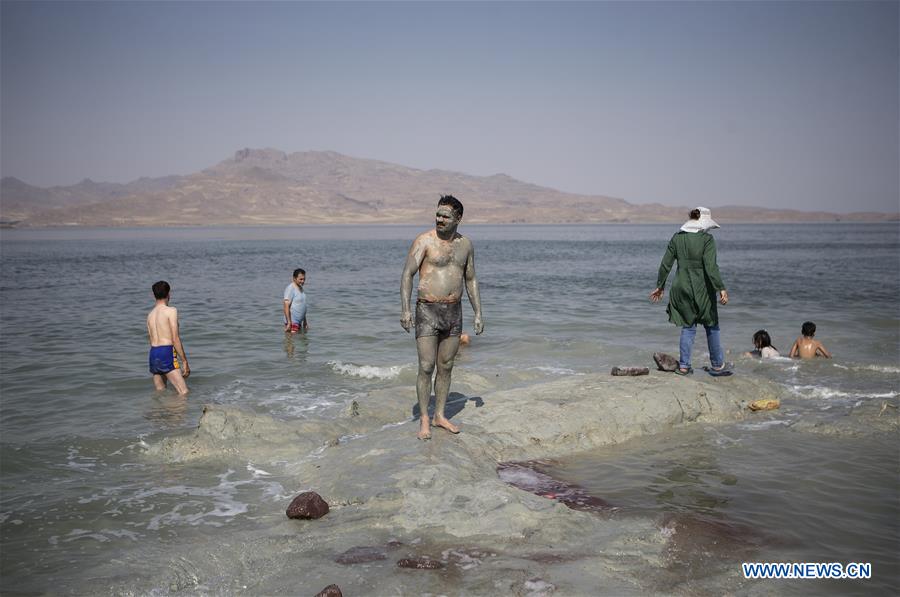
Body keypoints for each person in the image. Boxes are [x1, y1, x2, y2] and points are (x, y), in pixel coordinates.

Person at [401, 195, 484, 440]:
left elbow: (471, 279)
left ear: (458, 218)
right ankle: (424, 419)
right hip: (427, 310)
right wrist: (405, 309)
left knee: (446, 366)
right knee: (426, 366)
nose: (440, 219)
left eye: (445, 216)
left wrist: (478, 312)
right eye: (438, 215)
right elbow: (407, 274)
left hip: (453, 311)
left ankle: (439, 415)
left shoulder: (466, 245)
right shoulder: (424, 241)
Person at [650, 207, 730, 376]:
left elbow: (666, 264)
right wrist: (720, 287)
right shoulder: (707, 240)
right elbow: (710, 267)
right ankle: (717, 365)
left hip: (681, 286)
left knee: (688, 326)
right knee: (711, 325)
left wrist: (660, 285)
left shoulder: (677, 238)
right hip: (702, 288)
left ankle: (685, 366)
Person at [147, 280, 190, 395]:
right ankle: (177, 413)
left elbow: (151, 340)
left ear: (153, 295)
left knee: (160, 393)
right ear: (168, 294)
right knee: (183, 392)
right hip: (166, 352)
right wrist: (184, 361)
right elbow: (175, 338)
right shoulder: (171, 311)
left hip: (153, 354)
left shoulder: (150, 315)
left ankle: (162, 412)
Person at [283, 268, 308, 333]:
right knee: (290, 342)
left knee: (302, 342)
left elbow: (303, 306)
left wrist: (305, 321)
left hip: (299, 323)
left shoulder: (301, 289)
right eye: (301, 279)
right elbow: (286, 306)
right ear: (294, 278)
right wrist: (289, 322)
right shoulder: (291, 288)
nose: (303, 281)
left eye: (304, 279)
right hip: (292, 323)